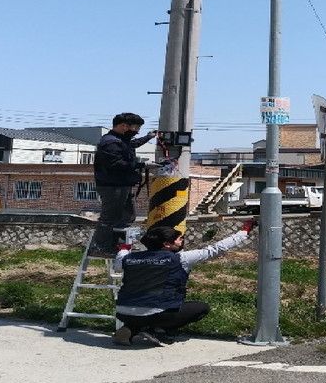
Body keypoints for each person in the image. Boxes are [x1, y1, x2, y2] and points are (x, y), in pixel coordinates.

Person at [113, 220, 258, 347]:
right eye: (179, 239)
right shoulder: (181, 259)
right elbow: (216, 249)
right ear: (167, 244)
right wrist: (244, 231)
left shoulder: (130, 258)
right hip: (158, 313)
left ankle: (131, 328)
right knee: (202, 308)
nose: (181, 241)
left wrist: (123, 249)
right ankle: (159, 331)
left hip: (122, 312)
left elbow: (120, 258)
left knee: (144, 307)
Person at [91, 112, 159, 258]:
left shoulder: (120, 140)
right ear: (123, 126)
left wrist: (148, 137)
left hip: (121, 185)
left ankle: (118, 245)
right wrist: (143, 165)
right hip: (112, 186)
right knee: (110, 218)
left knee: (127, 217)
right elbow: (117, 164)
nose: (137, 131)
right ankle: (101, 248)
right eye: (135, 128)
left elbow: (132, 144)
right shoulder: (110, 142)